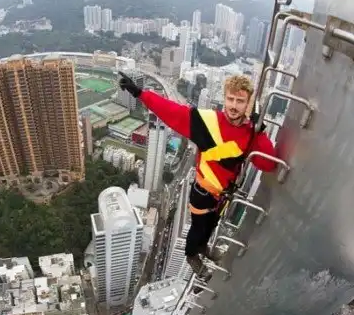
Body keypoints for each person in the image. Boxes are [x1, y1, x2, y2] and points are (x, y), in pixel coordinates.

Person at [118, 72, 278, 271]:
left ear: (248, 104)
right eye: (230, 99)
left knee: (211, 224)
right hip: (203, 190)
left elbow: (268, 164)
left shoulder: (250, 133)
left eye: (240, 101)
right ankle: (192, 255)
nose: (233, 106)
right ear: (224, 98)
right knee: (198, 227)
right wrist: (140, 93)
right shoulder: (208, 122)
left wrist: (260, 132)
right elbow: (172, 111)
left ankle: (203, 247)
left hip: (223, 195)